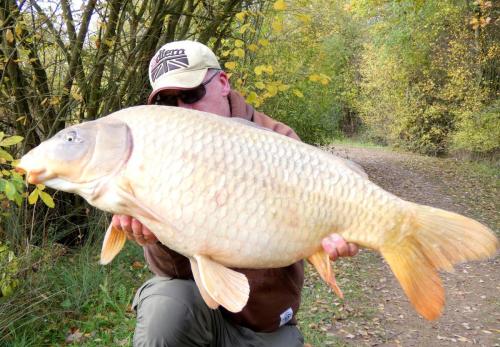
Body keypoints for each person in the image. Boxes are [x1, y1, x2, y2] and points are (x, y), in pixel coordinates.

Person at [113, 40, 359, 347]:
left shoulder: (279, 141)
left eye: (191, 94)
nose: (182, 110)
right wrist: (157, 237)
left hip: (263, 322)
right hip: (202, 309)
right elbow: (170, 272)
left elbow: (318, 223)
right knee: (166, 305)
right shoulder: (163, 156)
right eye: (168, 103)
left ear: (223, 83)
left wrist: (332, 234)